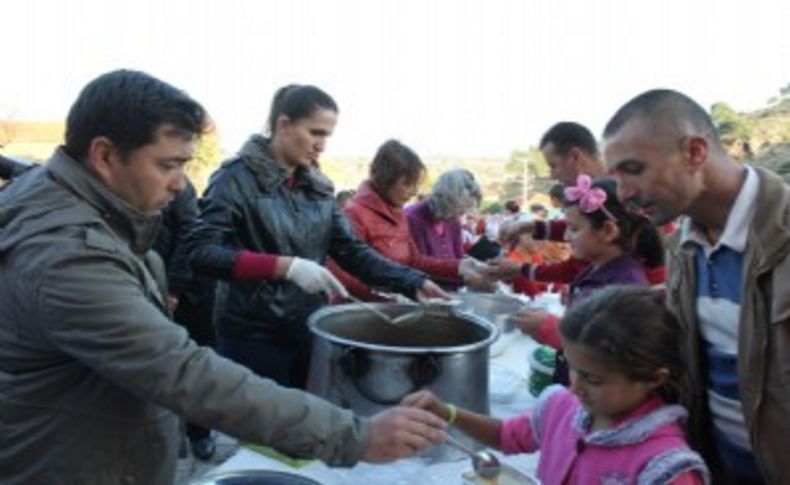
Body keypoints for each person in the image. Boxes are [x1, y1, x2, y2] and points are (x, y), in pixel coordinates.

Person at [0, 70, 446, 485]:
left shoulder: (83, 202)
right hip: (70, 459)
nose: (179, 185)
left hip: (108, 440)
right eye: (168, 164)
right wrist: (356, 437)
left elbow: (349, 248)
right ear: (104, 155)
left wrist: (408, 279)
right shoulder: (66, 252)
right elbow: (182, 371)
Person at [191, 85, 447, 389]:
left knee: (305, 422)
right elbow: (202, 252)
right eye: (315, 133)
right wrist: (285, 267)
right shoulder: (234, 179)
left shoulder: (318, 188)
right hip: (253, 335)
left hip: (310, 328)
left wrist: (412, 281)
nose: (322, 146)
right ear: (284, 125)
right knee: (260, 431)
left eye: (327, 136)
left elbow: (351, 251)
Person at [602, 88, 788, 483]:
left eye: (633, 169)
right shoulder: (683, 250)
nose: (624, 195)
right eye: (615, 177)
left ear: (695, 152)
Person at [403, 286, 710, 484]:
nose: (576, 388)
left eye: (593, 379)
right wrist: (447, 413)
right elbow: (508, 436)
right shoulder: (562, 407)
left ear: (654, 377)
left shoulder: (665, 469)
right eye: (574, 370)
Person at [502, 176, 663, 384]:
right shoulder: (597, 268)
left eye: (574, 229)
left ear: (607, 231)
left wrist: (550, 327)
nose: (567, 237)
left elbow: (606, 349)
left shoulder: (625, 285)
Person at [327, 139, 487, 299]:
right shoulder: (354, 214)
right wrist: (392, 293)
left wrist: (459, 267)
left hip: (393, 307)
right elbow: (343, 275)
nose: (414, 192)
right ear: (386, 179)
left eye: (416, 185)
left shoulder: (397, 212)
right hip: (364, 311)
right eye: (408, 184)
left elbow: (413, 260)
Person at [406, 168, 482, 259]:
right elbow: (419, 264)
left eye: (467, 208)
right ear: (447, 200)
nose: (462, 213)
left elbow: (458, 259)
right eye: (460, 208)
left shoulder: (453, 220)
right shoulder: (413, 219)